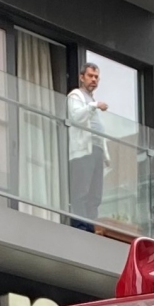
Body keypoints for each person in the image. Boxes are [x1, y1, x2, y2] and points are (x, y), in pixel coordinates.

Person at [66, 62, 108, 230]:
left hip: (96, 149)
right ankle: (80, 226)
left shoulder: (91, 100)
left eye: (96, 77)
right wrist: (94, 106)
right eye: (90, 76)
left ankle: (91, 226)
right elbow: (76, 117)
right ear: (81, 77)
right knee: (81, 191)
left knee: (95, 194)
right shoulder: (76, 96)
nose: (93, 80)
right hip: (83, 151)